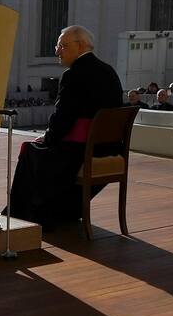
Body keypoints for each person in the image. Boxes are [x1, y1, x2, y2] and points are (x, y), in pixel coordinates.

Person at [7, 25, 123, 228]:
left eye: (62, 45)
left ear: (79, 46)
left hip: (80, 151)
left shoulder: (74, 74)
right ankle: (64, 212)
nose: (57, 51)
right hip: (110, 148)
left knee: (30, 153)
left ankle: (23, 214)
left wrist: (47, 138)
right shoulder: (109, 71)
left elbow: (62, 118)